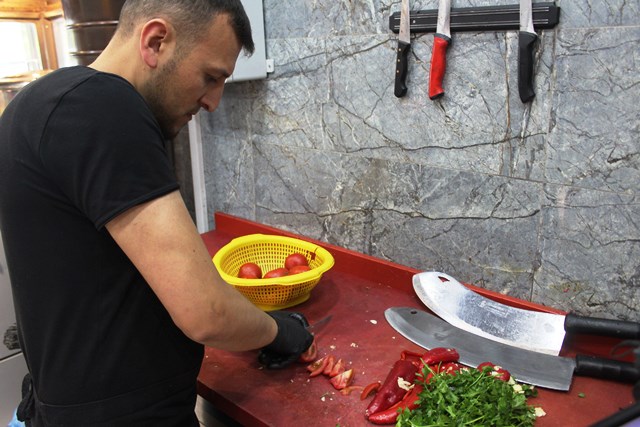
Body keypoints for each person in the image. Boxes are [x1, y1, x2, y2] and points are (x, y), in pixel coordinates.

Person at [0, 0, 313, 425]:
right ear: (155, 41)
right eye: (210, 77)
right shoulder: (104, 106)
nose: (213, 102)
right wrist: (280, 332)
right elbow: (206, 312)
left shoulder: (31, 102)